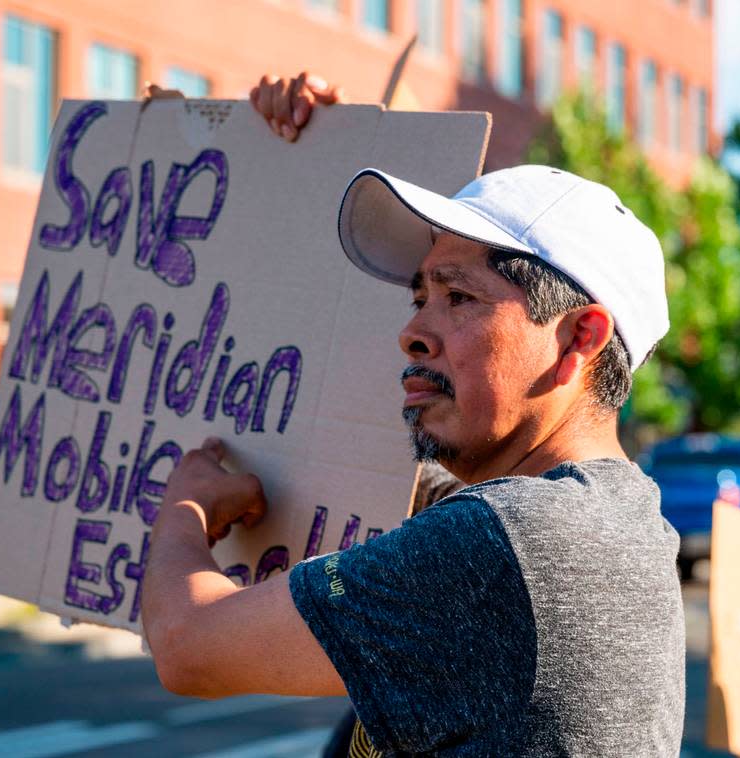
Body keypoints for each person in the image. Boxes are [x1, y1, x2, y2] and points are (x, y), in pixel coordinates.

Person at [140, 73, 686, 757]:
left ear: (580, 337)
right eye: (418, 296)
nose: (413, 332)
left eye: (459, 297)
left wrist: (184, 507)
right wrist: (315, 156)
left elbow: (189, 645)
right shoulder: (607, 519)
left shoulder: (505, 545)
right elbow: (349, 484)